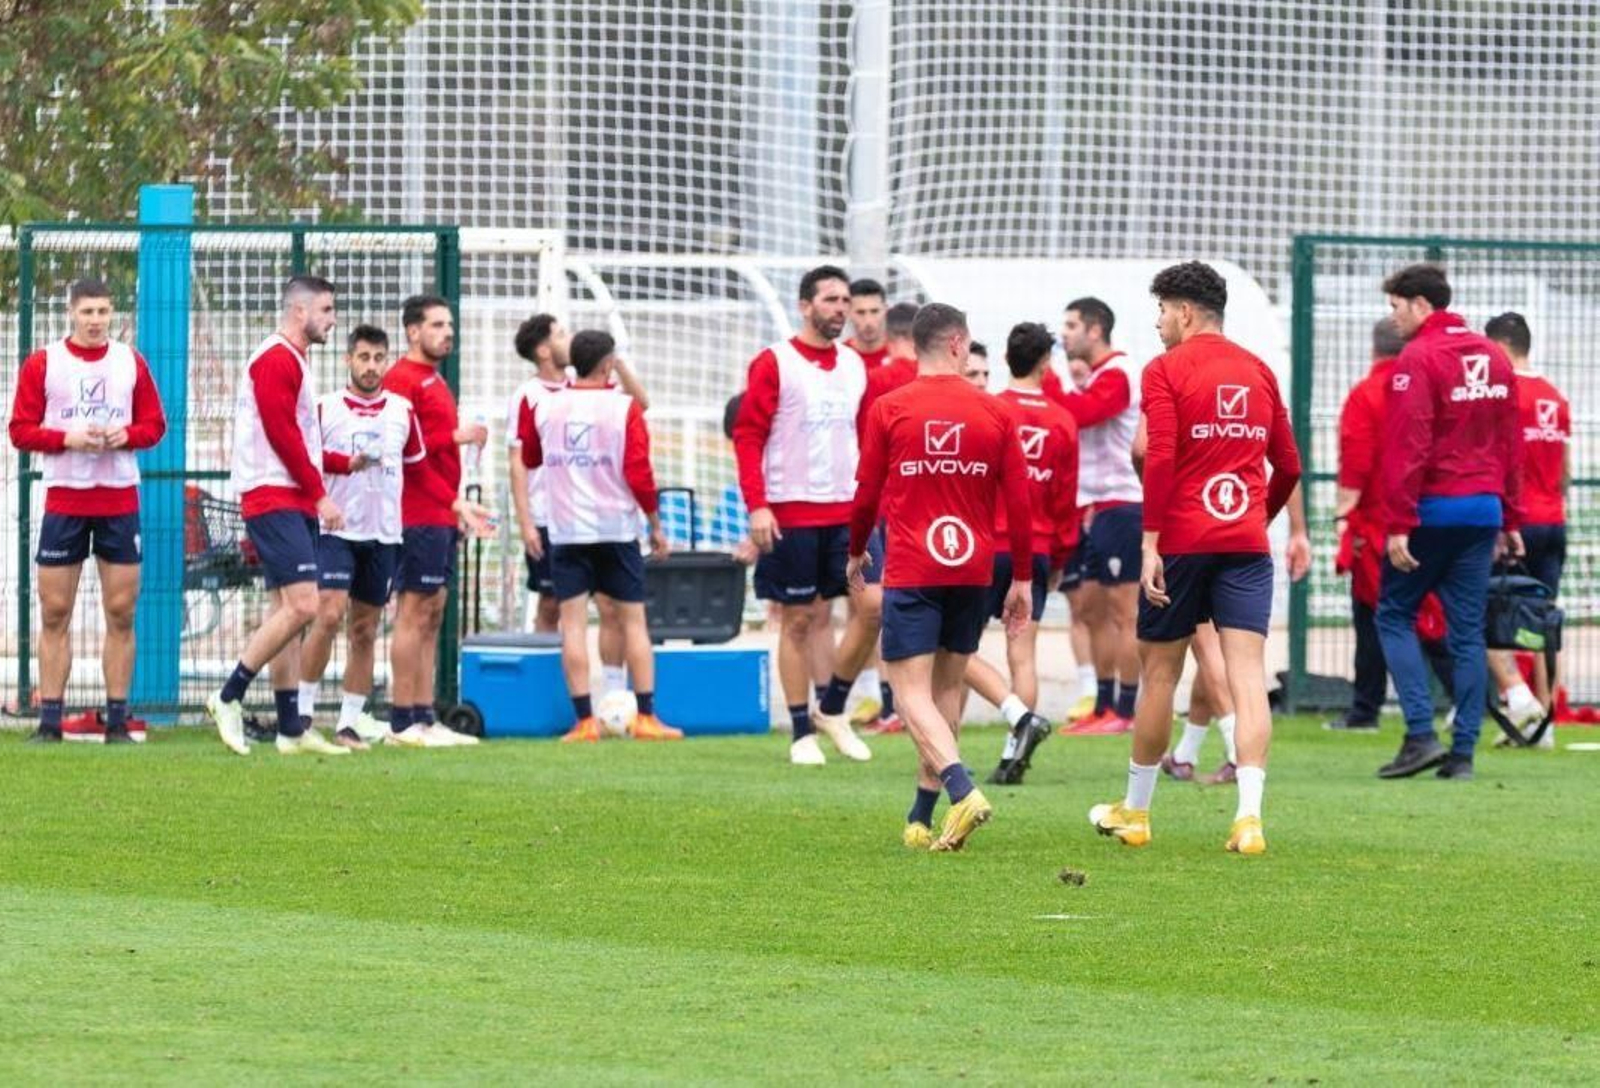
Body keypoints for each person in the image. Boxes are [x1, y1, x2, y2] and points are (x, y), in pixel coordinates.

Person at [1089, 261, 1301, 856]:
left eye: (1160, 312)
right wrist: (1260, 518)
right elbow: (1288, 465)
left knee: (1160, 674)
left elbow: (1158, 457)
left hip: (1181, 541)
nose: (1157, 324)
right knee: (1248, 678)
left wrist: (1150, 539)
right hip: (1244, 546)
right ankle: (1250, 819)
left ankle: (1136, 812)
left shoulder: (1164, 370)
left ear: (1183, 311)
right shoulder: (1258, 370)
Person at [848, 303, 1033, 852]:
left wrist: (857, 552)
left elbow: (866, 492)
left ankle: (961, 788)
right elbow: (1019, 502)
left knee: (908, 693)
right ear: (957, 345)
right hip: (974, 567)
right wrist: (1021, 578)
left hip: (914, 564)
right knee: (947, 686)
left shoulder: (890, 408)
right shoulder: (995, 412)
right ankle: (922, 814)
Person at [1374, 264, 1522, 781]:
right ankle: (1463, 753)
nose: (1391, 318)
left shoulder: (1417, 358)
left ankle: (1419, 734)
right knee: (1466, 632)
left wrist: (1397, 522)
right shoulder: (1493, 356)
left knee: (1392, 613)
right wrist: (1512, 516)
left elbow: (1407, 445)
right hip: (1484, 510)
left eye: (1395, 307)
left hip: (1433, 510)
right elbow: (1510, 441)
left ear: (1420, 305)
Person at [8, 278, 166, 744]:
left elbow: (155, 424)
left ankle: (117, 720)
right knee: (55, 610)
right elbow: (20, 429)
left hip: (118, 498)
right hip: (65, 500)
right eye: (87, 312)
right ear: (71, 313)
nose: (96, 321)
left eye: (103, 312)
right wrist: (66, 439)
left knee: (121, 610)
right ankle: (50, 720)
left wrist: (127, 435)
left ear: (112, 314)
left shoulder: (129, 362)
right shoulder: (45, 363)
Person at [732, 264, 873, 765]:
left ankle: (832, 707)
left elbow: (867, 437)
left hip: (847, 509)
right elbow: (748, 436)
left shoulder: (856, 365)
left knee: (867, 607)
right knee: (797, 619)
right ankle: (799, 730)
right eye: (831, 300)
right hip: (790, 509)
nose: (841, 309)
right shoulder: (774, 362)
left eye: (845, 300)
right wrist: (758, 505)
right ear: (806, 306)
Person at [206, 275, 349, 756]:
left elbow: (302, 437)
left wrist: (340, 469)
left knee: (286, 613)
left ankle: (290, 728)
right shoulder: (275, 359)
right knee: (305, 606)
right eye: (326, 310)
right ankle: (228, 696)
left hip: (291, 497)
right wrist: (320, 494)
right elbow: (281, 433)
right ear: (299, 312)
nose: (332, 320)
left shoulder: (296, 361)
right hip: (273, 497)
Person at [519, 330, 680, 741]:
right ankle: (645, 717)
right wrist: (656, 525)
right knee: (634, 623)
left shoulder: (542, 404)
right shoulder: (623, 408)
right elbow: (640, 473)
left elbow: (532, 457)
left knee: (572, 625)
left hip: (567, 531)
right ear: (608, 363)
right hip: (616, 529)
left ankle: (584, 720)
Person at [506, 314, 647, 702]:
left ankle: (615, 697)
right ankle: (548, 697)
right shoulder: (529, 396)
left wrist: (618, 363)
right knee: (552, 606)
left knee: (611, 607)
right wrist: (527, 523)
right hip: (549, 515)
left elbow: (640, 404)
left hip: (594, 517)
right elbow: (519, 462)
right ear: (543, 349)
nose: (569, 337)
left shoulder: (592, 388)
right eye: (561, 333)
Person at [295, 325, 424, 750]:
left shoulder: (403, 411)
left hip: (383, 534)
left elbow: (415, 466)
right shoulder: (323, 407)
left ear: (387, 360)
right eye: (363, 357)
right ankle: (302, 714)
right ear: (348, 359)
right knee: (328, 614)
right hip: (337, 530)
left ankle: (349, 723)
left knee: (365, 630)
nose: (371, 367)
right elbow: (306, 462)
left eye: (378, 358)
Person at [382, 294, 492, 748]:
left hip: (441, 511)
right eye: (437, 325)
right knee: (412, 611)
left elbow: (435, 446)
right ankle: (402, 721)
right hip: (418, 512)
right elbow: (407, 451)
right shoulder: (402, 380)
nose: (447, 332)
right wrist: (453, 497)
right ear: (413, 331)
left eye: (449, 325)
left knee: (433, 611)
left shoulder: (433, 379)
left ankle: (424, 717)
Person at [973, 321, 1079, 785]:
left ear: (1005, 361)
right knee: (1024, 655)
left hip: (985, 544)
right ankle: (1014, 751)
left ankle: (944, 743)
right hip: (1033, 549)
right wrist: (1058, 558)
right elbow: (1065, 497)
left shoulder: (989, 409)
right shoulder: (1061, 420)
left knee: (955, 649)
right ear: (1045, 363)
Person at [1046, 297, 1142, 735]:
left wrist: (1042, 376)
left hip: (1123, 504)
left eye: (1071, 325)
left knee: (1124, 612)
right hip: (1095, 507)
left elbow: (1077, 416)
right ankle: (1103, 704)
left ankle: (1126, 710)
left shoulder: (1119, 373)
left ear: (1095, 329)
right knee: (1091, 610)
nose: (1064, 334)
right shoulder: (1097, 376)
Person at [1484, 311, 1566, 742]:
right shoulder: (1554, 395)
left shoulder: (1507, 394)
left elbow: (1502, 458)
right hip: (1555, 519)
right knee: (1545, 620)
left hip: (1518, 522)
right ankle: (1546, 722)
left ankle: (1521, 702)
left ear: (1500, 347)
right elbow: (1564, 469)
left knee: (1486, 613)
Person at [1327, 317, 1410, 732]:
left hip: (1376, 523)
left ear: (1374, 348)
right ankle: (1459, 701)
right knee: (1433, 614)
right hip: (1422, 516)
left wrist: (1343, 518)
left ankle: (1366, 709)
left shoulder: (1366, 394)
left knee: (1372, 616)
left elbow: (1355, 463)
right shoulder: (1423, 386)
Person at [848, 300, 923, 735]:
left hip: (885, 507)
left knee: (883, 607)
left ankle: (888, 699)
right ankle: (900, 700)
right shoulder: (938, 383)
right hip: (931, 507)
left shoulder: (875, 381)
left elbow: (864, 447)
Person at [845, 278, 889, 368]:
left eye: (874, 311)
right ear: (848, 312)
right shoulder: (839, 358)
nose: (868, 321)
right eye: (860, 312)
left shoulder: (907, 355)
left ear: (886, 309)